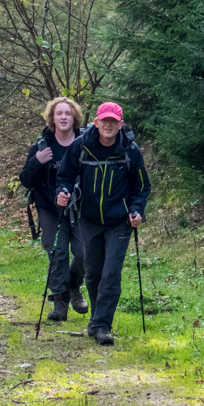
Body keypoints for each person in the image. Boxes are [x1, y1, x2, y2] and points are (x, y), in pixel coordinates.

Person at [55, 101, 150, 346]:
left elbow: (141, 187)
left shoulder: (130, 150)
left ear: (120, 124)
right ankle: (97, 320)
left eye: (113, 121)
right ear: (96, 122)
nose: (108, 125)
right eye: (104, 120)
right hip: (88, 220)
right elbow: (64, 175)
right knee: (94, 273)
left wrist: (137, 210)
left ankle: (102, 325)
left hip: (119, 222)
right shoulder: (81, 146)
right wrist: (63, 192)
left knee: (111, 274)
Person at [19, 97, 88, 322]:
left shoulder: (87, 143)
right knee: (57, 252)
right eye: (59, 114)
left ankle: (73, 286)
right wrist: (37, 161)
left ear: (74, 117)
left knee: (84, 252)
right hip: (49, 208)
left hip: (80, 209)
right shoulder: (41, 147)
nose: (64, 117)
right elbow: (26, 180)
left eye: (68, 113)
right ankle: (60, 303)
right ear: (52, 118)